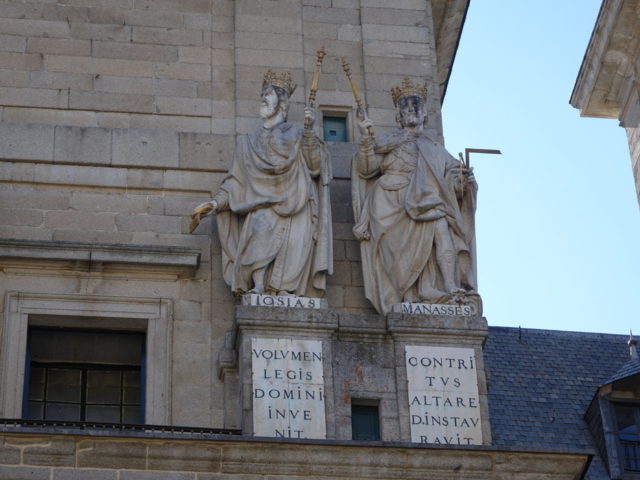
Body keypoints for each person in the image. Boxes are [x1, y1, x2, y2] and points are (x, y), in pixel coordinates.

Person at [192, 70, 332, 297]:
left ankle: (285, 290)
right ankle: (258, 285)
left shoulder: (298, 134)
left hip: (297, 202)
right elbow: (235, 183)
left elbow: (315, 165)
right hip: (261, 205)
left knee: (295, 245)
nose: (262, 99)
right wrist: (215, 204)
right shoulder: (247, 142)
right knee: (258, 235)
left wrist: (308, 131)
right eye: (262, 95)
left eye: (268, 94)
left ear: (282, 103)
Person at [352, 77, 479, 314]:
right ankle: (407, 295)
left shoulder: (436, 148)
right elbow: (366, 169)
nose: (411, 109)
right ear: (398, 116)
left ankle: (451, 289)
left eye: (416, 105)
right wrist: (366, 139)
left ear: (425, 115)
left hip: (428, 201)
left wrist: (464, 182)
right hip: (391, 203)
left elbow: (452, 179)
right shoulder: (387, 142)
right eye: (405, 106)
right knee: (398, 254)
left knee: (442, 229)